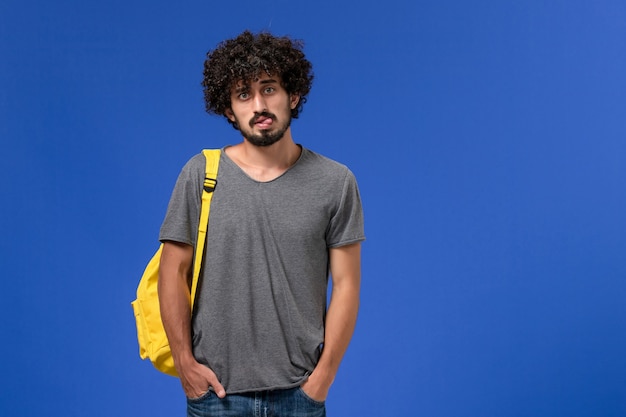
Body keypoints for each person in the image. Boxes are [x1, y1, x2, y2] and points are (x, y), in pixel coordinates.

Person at [157, 30, 365, 416]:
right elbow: (173, 271)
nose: (258, 105)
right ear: (228, 110)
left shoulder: (336, 182)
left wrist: (323, 379)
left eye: (269, 89)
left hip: (300, 395)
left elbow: (348, 283)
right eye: (243, 95)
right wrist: (185, 363)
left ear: (293, 96)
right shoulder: (200, 175)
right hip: (216, 396)